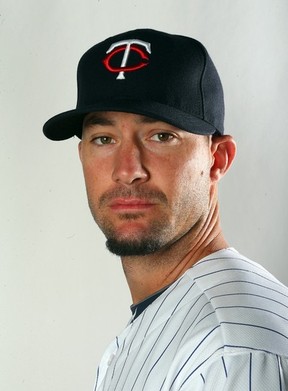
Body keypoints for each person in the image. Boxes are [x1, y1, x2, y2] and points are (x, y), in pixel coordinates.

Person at [43, 29, 288, 390]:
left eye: (161, 136)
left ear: (217, 158)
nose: (127, 170)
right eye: (104, 139)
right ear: (82, 156)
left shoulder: (232, 350)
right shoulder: (178, 316)